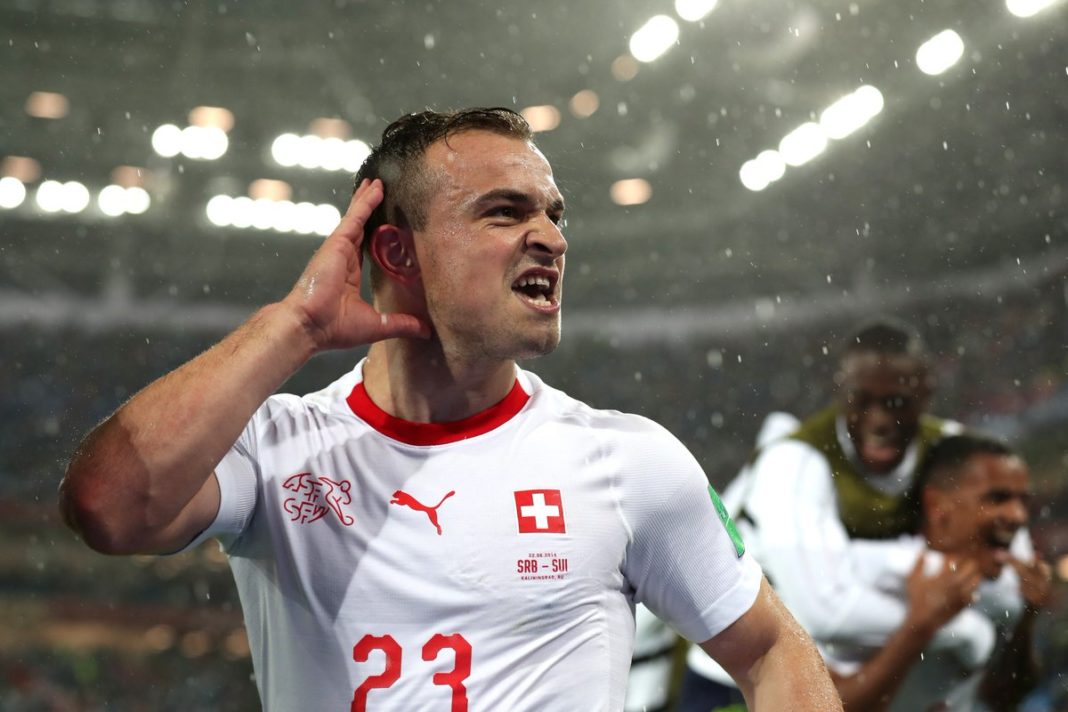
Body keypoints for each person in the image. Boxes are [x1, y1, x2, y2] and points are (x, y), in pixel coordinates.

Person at [59, 108, 842, 711]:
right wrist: (292, 326)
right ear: (397, 252)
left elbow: (772, 649)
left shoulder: (630, 461)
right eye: (505, 212)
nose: (552, 239)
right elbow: (107, 508)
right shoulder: (276, 449)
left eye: (554, 214)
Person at [676, 318, 1006, 711]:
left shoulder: (958, 453)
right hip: (746, 682)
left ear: (926, 394)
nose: (879, 420)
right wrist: (957, 624)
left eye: (896, 402)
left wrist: (923, 597)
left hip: (883, 681)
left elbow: (1010, 585)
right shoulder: (792, 463)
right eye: (863, 400)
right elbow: (829, 613)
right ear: (840, 392)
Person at [829, 433, 1052, 711]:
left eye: (1022, 501)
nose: (1018, 516)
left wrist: (1027, 616)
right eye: (997, 498)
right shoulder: (870, 574)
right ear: (937, 505)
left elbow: (1002, 697)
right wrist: (919, 626)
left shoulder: (998, 591)